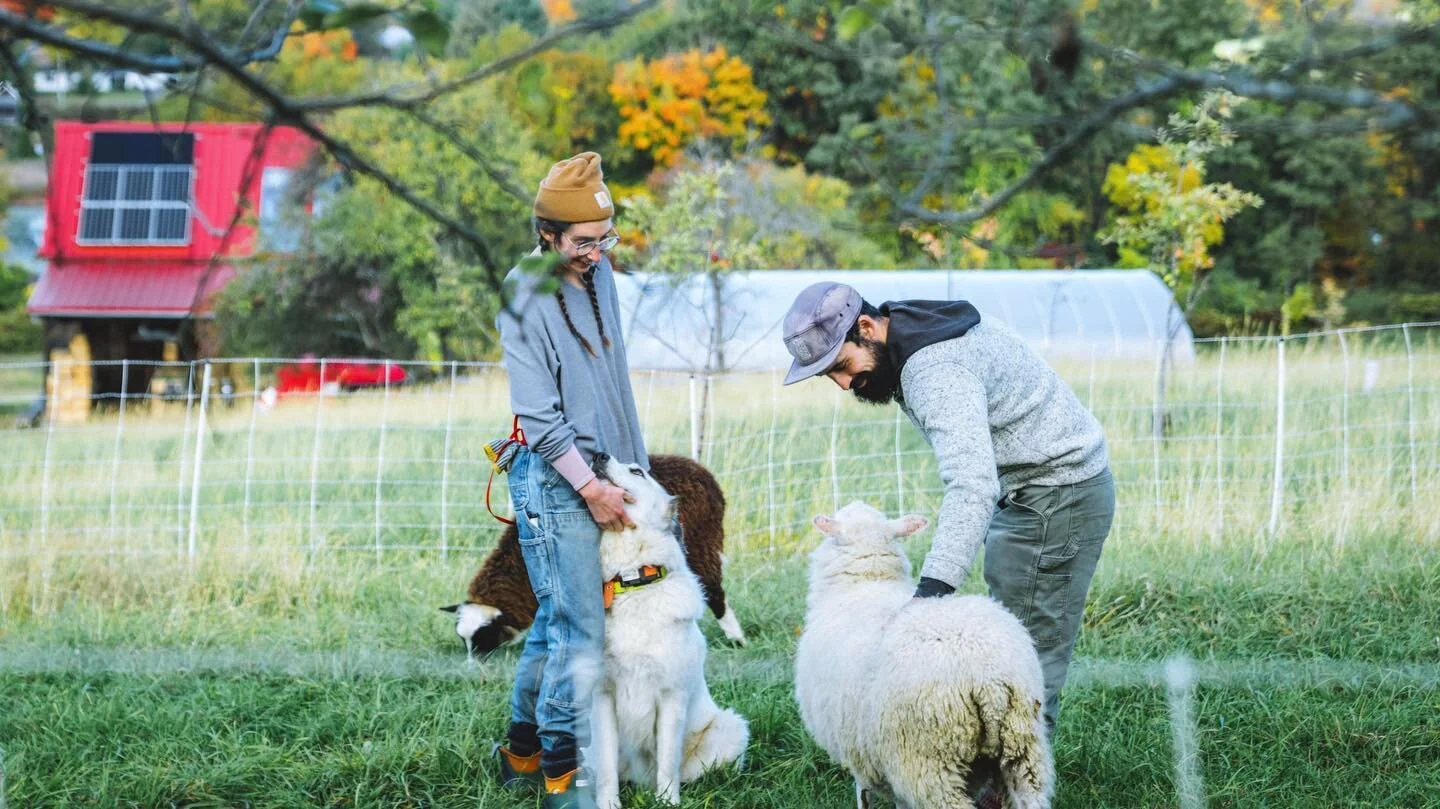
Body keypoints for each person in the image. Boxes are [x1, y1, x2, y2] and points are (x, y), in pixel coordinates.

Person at [780, 281, 1114, 737]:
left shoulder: (932, 368)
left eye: (841, 364)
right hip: (1026, 491)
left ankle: (1018, 783)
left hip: (1055, 495)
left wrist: (929, 595)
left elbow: (972, 482)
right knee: (1008, 646)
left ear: (866, 327)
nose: (843, 383)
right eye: (827, 376)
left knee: (1025, 661)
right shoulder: (910, 330)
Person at [493, 152, 646, 809]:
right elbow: (541, 417)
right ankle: (568, 777)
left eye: (605, 238)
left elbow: (615, 383)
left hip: (607, 471)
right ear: (547, 234)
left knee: (559, 621)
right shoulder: (524, 293)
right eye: (584, 241)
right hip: (557, 481)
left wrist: (632, 471)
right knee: (581, 633)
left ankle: (520, 749)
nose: (596, 252)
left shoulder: (600, 274)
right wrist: (592, 487)